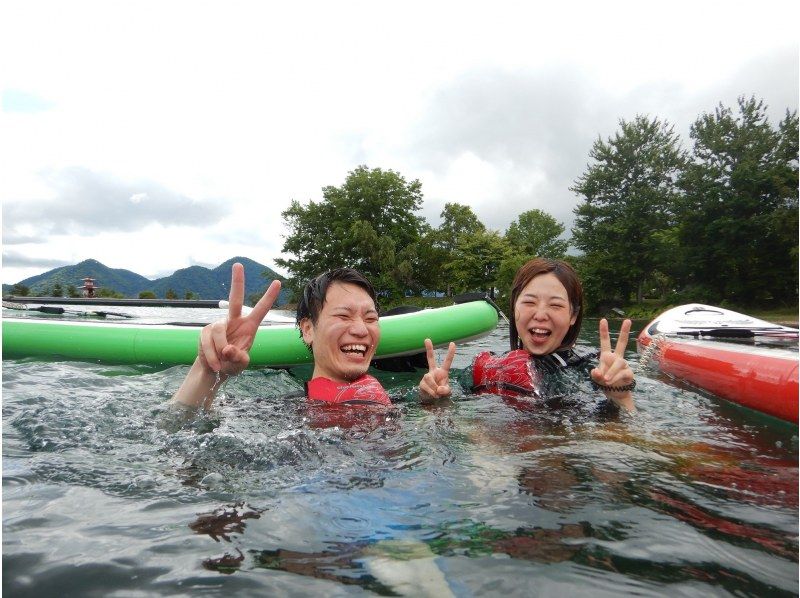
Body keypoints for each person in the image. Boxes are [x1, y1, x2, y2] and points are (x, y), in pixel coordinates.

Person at [419, 258, 636, 412]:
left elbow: (623, 444)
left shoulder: (591, 371)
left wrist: (620, 396)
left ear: (573, 315)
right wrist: (432, 397)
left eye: (555, 305)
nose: (540, 315)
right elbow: (447, 413)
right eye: (530, 302)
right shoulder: (486, 369)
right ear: (514, 309)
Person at [171, 263, 393, 409]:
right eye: (344, 316)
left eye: (371, 319)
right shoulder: (284, 412)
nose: (361, 330)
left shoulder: (406, 400)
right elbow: (174, 436)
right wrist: (209, 372)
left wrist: (428, 403)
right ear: (308, 330)